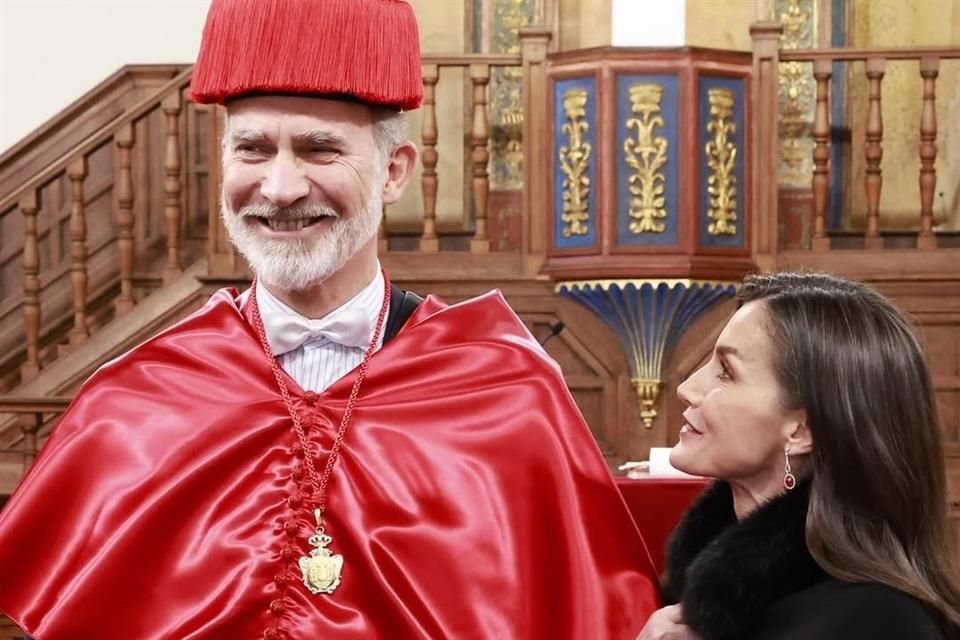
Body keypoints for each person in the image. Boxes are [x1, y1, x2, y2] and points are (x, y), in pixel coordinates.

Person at [0, 1, 661, 638]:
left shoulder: (508, 397)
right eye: (253, 149)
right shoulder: (133, 404)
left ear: (395, 171)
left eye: (320, 151)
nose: (281, 188)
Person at [639, 272, 960, 640]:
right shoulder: (707, 597)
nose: (686, 388)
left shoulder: (876, 622)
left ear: (802, 431)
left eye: (726, 372)